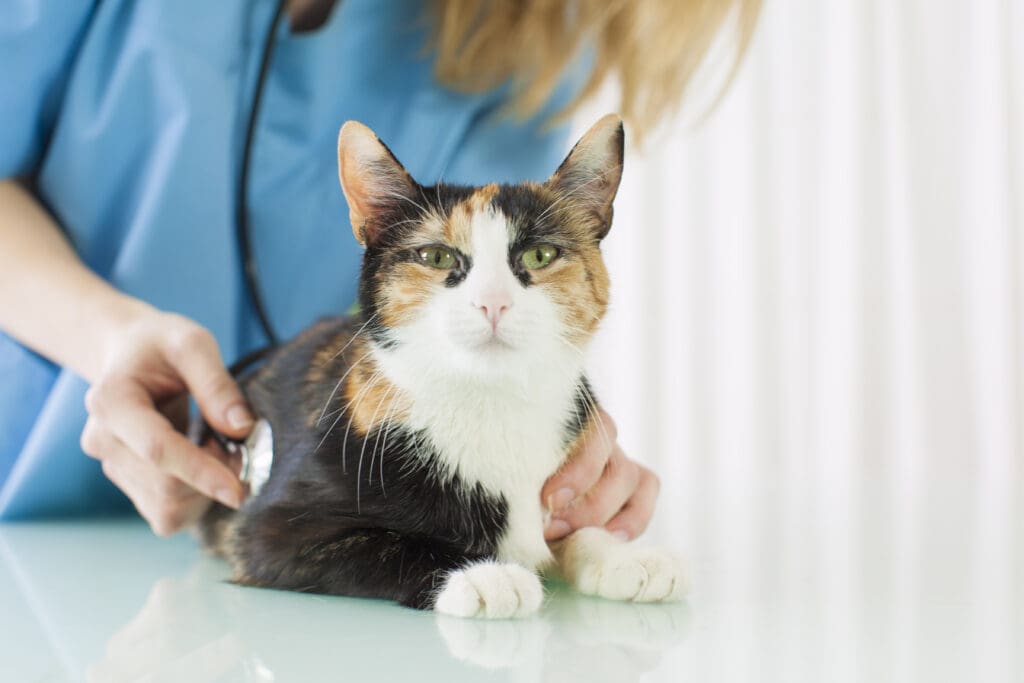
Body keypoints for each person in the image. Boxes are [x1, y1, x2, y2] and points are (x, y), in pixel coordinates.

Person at [0, 0, 759, 536]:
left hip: (316, 524)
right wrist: (107, 337)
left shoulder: (523, 33)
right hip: (30, 510)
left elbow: (479, 319)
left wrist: (551, 434)